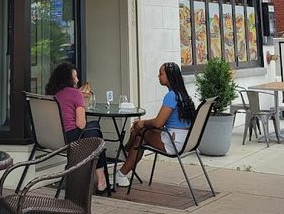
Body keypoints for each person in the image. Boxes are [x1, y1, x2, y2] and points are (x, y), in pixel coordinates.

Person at [113, 62, 195, 187]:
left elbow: (158, 123)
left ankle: (125, 152)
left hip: (174, 142)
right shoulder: (183, 94)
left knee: (139, 131)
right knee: (140, 137)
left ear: (170, 77)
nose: (158, 76)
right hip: (186, 140)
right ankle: (121, 173)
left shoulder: (171, 96)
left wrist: (141, 123)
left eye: (161, 74)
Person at [45, 61, 108, 193]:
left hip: (54, 137)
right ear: (69, 79)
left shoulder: (52, 94)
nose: (78, 79)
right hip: (72, 139)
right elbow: (81, 124)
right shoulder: (76, 94)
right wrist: (81, 102)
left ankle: (100, 178)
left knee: (94, 128)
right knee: (96, 132)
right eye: (75, 76)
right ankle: (101, 178)